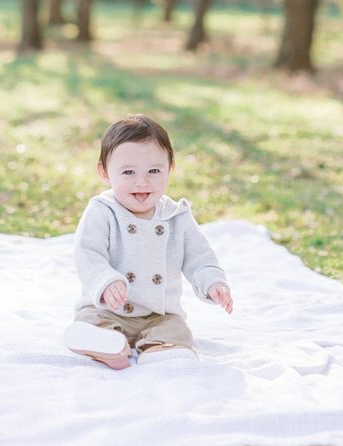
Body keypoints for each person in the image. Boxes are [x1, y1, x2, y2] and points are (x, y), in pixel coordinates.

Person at [63, 113, 233, 369]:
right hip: (107, 309)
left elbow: (199, 256)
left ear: (170, 169)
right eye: (128, 172)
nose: (142, 181)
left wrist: (212, 282)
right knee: (91, 320)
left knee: (177, 330)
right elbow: (87, 252)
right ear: (105, 173)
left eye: (154, 171)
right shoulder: (103, 210)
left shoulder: (176, 216)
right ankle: (105, 344)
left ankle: (160, 347)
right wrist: (105, 281)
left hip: (158, 314)